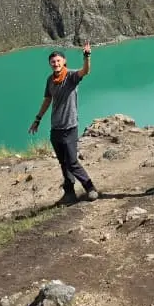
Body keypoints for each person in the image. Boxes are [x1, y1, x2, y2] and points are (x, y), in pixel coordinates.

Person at [29, 42, 99, 204]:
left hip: (70, 127)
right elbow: (47, 100)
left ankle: (90, 188)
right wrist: (38, 119)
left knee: (72, 162)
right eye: (53, 62)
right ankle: (69, 193)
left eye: (58, 61)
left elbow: (85, 71)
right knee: (63, 162)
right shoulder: (50, 80)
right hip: (56, 127)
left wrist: (87, 56)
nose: (56, 64)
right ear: (50, 64)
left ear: (64, 61)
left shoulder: (71, 76)